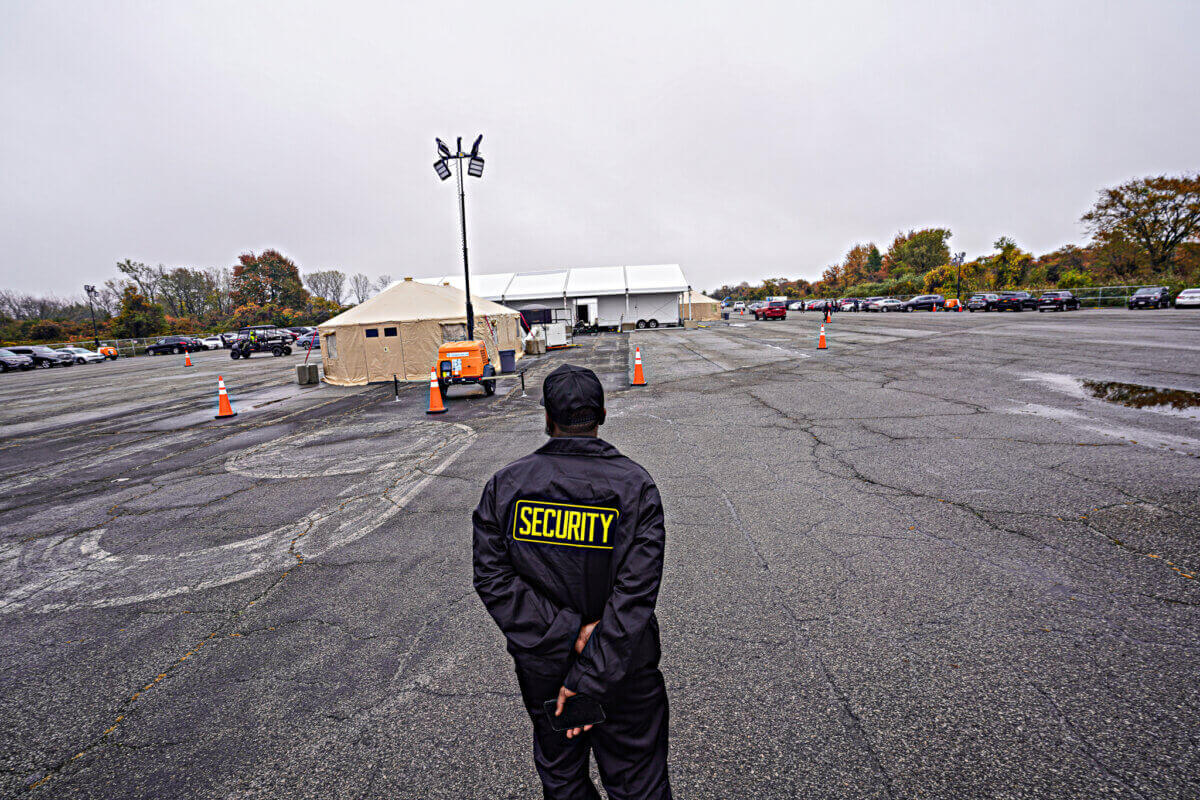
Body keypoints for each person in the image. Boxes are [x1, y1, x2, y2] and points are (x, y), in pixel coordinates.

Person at [473, 363, 672, 800]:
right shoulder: (635, 486)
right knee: (639, 782)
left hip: (546, 667)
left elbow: (493, 578)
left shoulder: (505, 487)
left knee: (562, 780)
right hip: (624, 665)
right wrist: (595, 664)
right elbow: (635, 592)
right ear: (602, 414)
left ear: (547, 418)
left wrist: (569, 637)